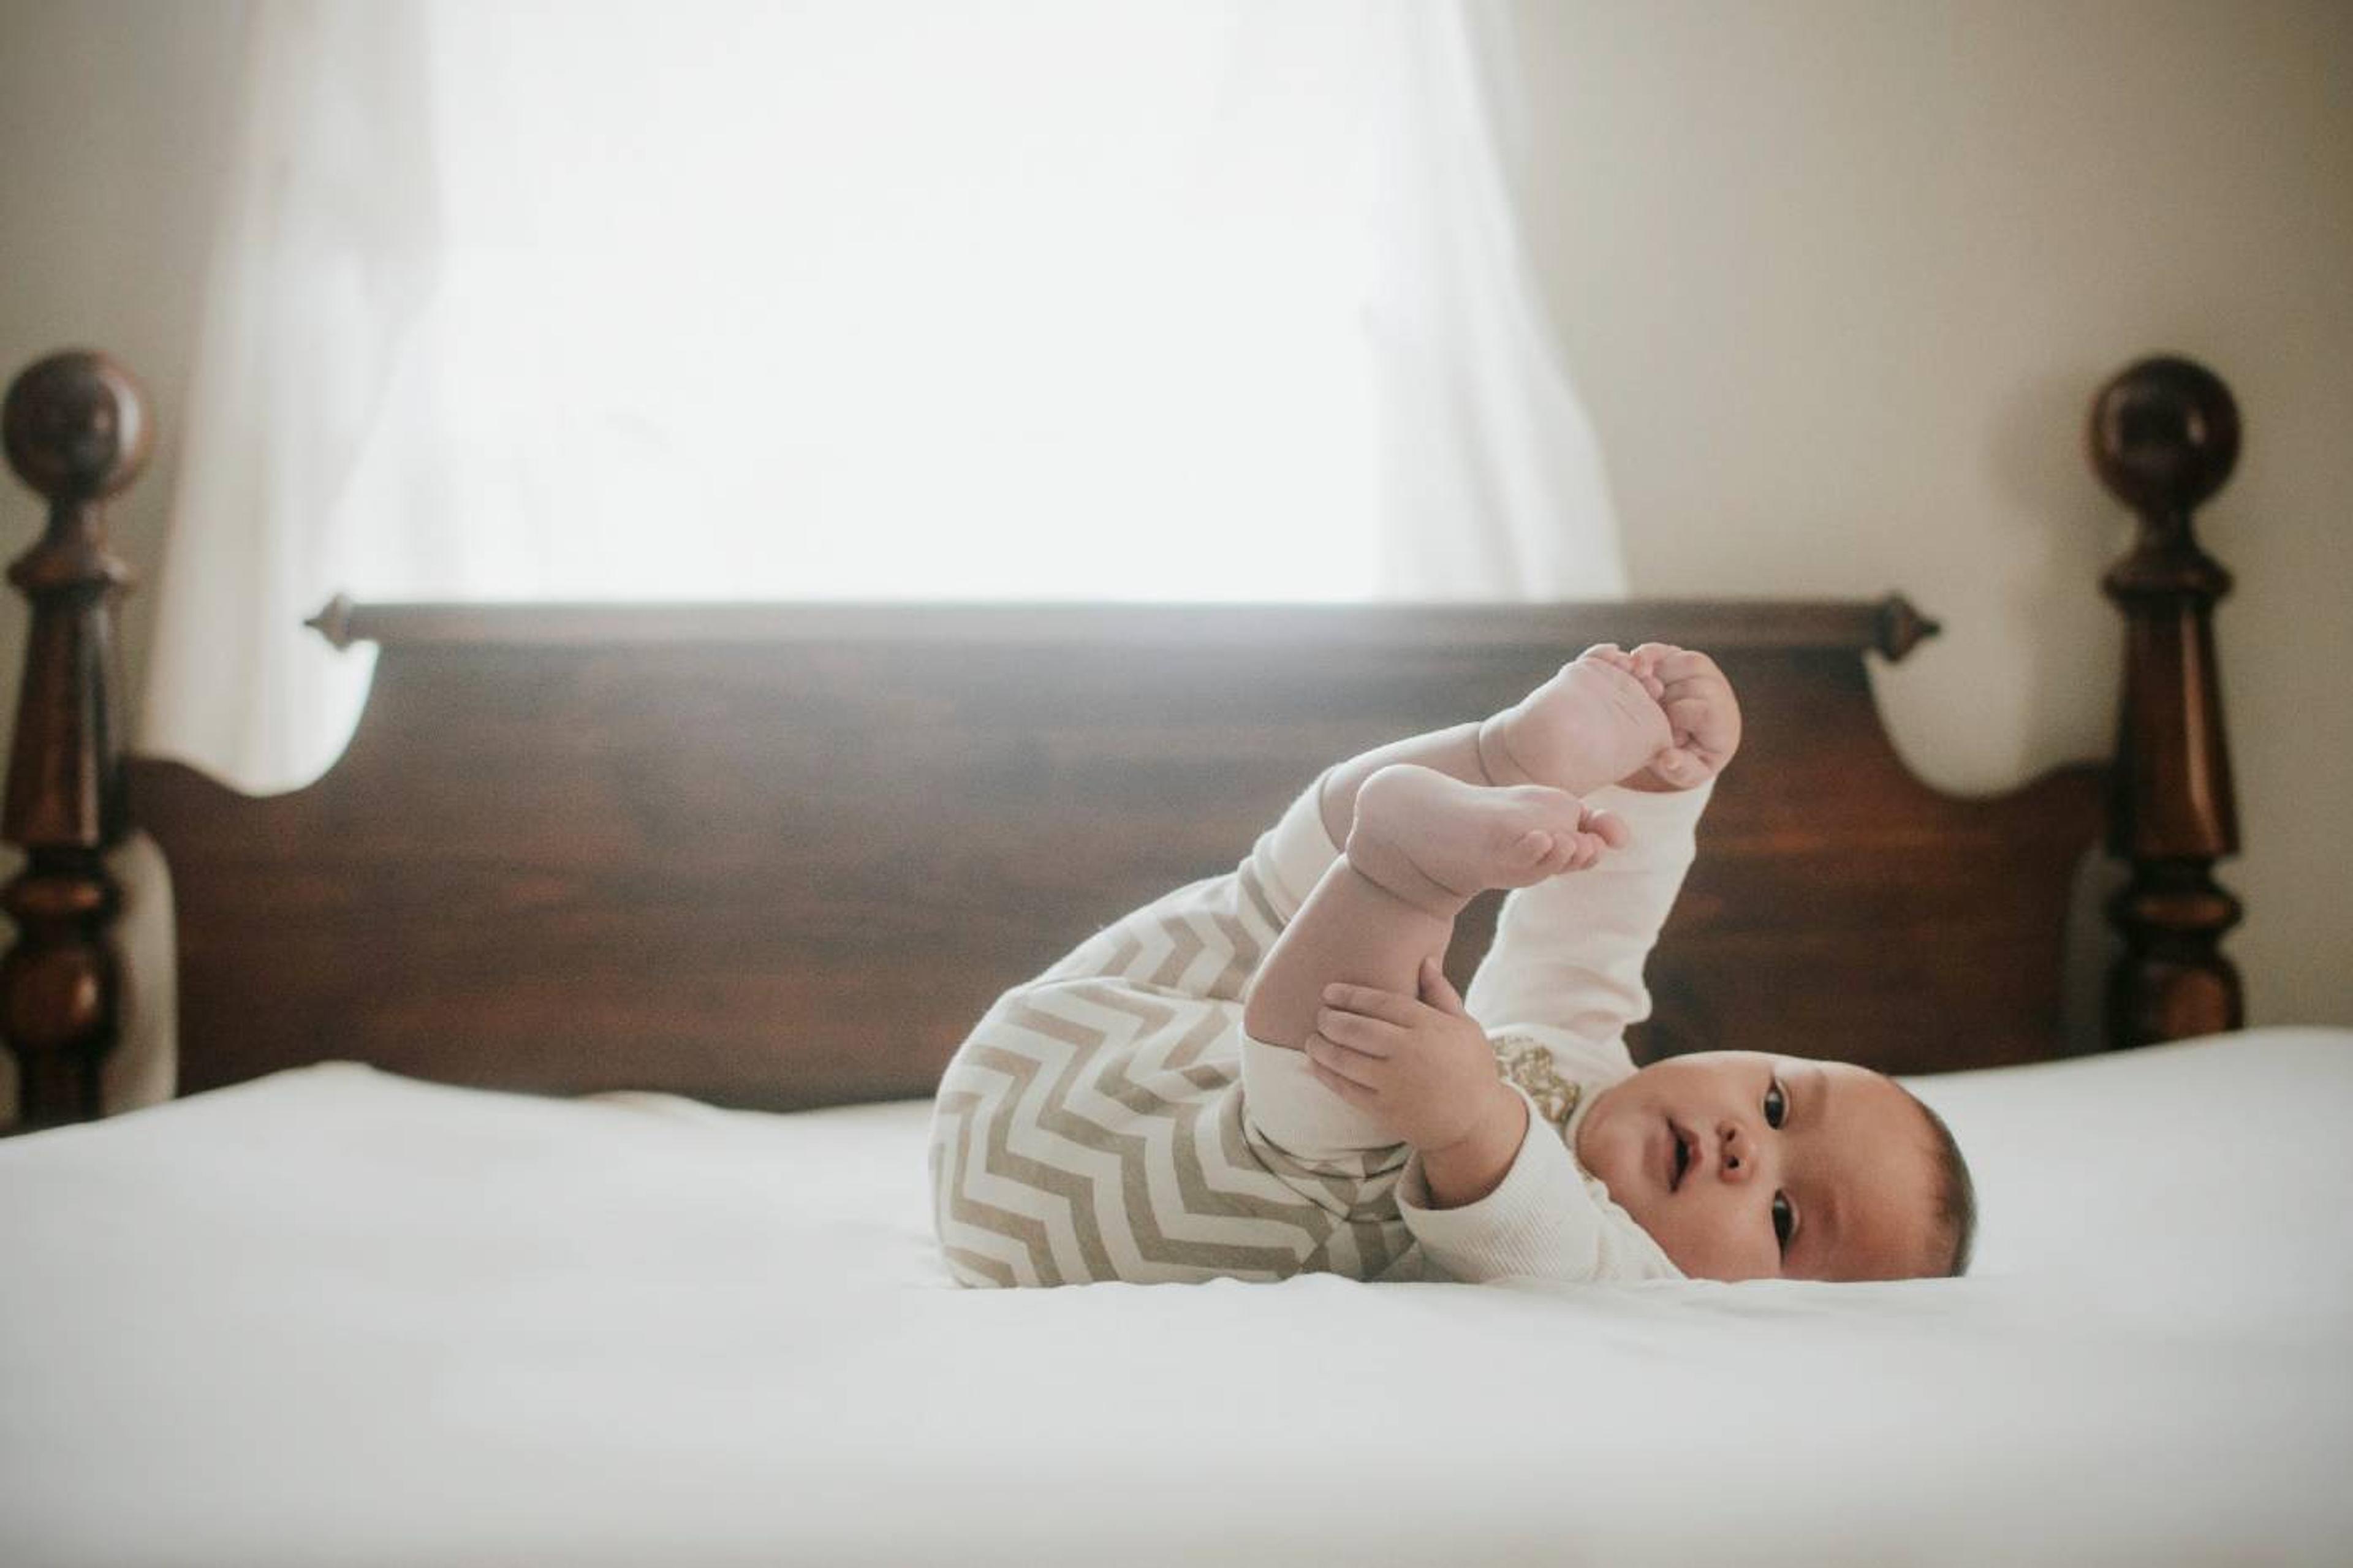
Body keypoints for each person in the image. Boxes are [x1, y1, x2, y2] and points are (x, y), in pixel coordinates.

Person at [928, 644, 1975, 1287]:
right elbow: (1593, 927)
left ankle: (1400, 868)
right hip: (1074, 1047)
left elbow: (1542, 1249)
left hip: (1083, 1220)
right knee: (1264, 909)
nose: (1752, 1151)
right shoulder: (1583, 1057)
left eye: (1785, 1222)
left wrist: (1471, 1123)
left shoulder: (1635, 1272)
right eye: (1783, 1104)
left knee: (1344, 1115)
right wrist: (1658, 783)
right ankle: (1506, 755)